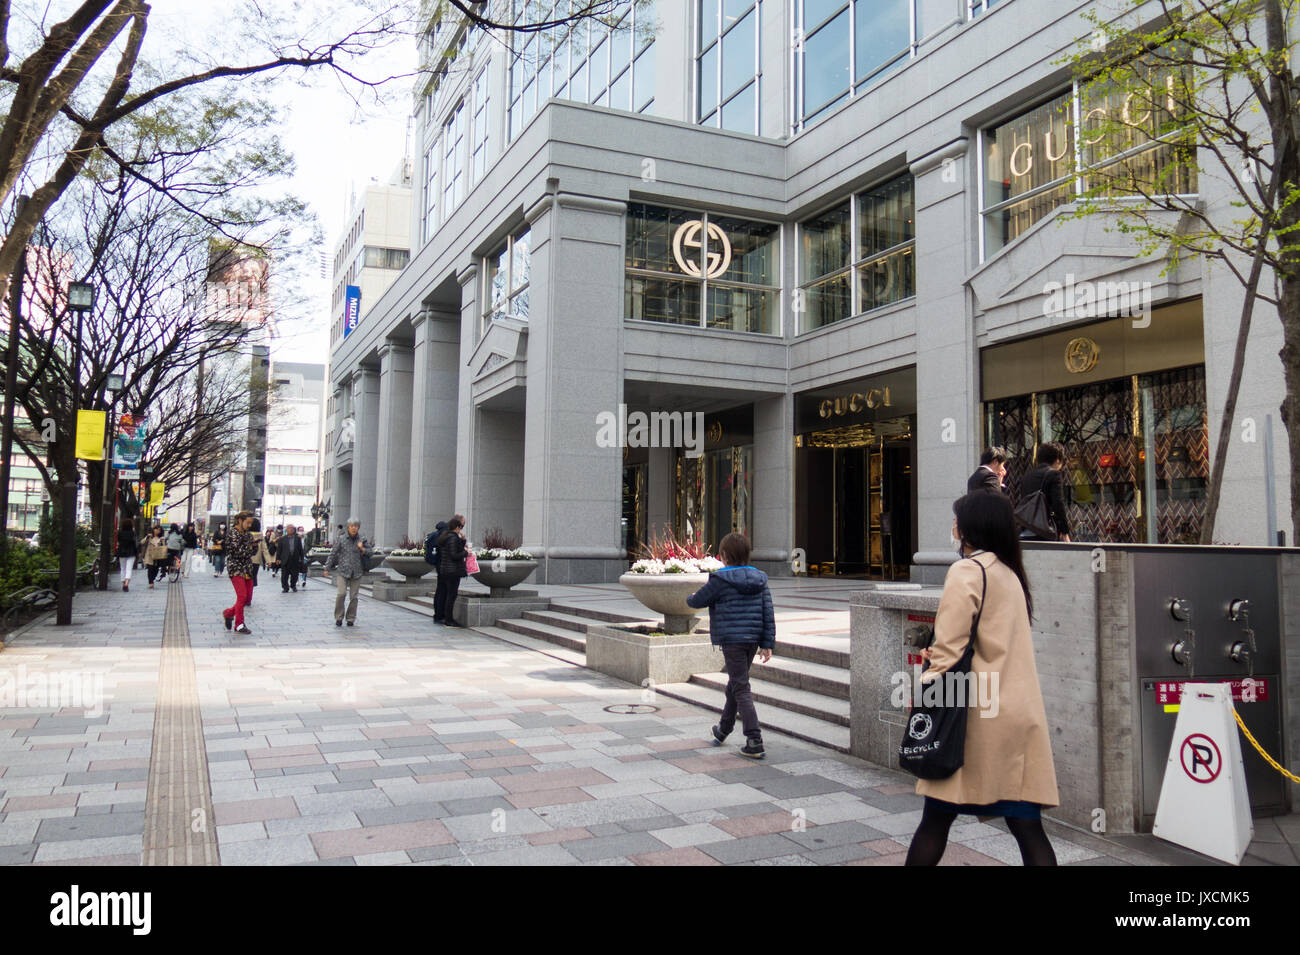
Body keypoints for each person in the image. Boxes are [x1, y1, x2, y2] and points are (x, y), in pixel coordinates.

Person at [905, 492, 1059, 866]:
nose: (953, 527)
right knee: (1026, 825)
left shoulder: (968, 571)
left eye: (957, 519)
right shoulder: (1010, 572)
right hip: (1020, 716)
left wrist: (926, 685)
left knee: (935, 820)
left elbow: (949, 647)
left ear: (970, 526)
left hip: (975, 718)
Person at [685, 532, 776, 760]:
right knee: (736, 683)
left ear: (724, 555)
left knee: (741, 686)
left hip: (732, 640)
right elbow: (768, 611)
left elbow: (697, 601)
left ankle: (754, 739)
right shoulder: (760, 578)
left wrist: (689, 596)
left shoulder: (720, 579)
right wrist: (767, 643)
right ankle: (723, 729)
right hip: (753, 639)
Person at [1017, 441, 1072, 542]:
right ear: (1057, 460)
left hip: (1027, 530)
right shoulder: (1054, 475)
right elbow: (1058, 504)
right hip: (1046, 531)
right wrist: (1064, 531)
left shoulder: (1026, 477)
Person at [324, 518, 370, 627]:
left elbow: (371, 552)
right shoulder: (341, 539)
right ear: (348, 527)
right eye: (351, 526)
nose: (354, 528)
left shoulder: (362, 539)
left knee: (354, 597)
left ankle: (350, 618)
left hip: (357, 572)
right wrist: (327, 568)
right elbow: (333, 554)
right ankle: (339, 617)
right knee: (341, 594)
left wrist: (362, 548)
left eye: (356, 526)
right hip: (342, 571)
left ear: (358, 527)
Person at [221, 511, 256, 635]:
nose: (249, 525)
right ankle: (239, 624)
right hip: (235, 568)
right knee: (242, 596)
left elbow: (253, 551)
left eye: (251, 523)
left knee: (247, 598)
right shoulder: (232, 533)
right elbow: (237, 551)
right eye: (248, 522)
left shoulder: (248, 534)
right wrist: (249, 548)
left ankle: (229, 613)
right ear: (240, 521)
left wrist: (252, 547)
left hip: (247, 568)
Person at [432, 515, 468, 627]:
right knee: (451, 596)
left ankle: (445, 617)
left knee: (448, 594)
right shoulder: (452, 537)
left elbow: (454, 549)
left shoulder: (446, 536)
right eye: (461, 527)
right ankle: (449, 619)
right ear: (456, 527)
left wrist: (463, 540)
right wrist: (466, 553)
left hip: (446, 569)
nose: (461, 529)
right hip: (452, 570)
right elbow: (454, 554)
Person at [247, 518, 272, 604]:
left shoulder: (245, 534)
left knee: (244, 579)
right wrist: (268, 561)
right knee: (252, 579)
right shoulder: (260, 536)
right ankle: (249, 598)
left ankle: (244, 596)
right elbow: (265, 550)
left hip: (245, 560)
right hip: (256, 561)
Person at [277, 524, 306, 593]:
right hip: (285, 559)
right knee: (284, 575)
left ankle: (293, 586)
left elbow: (300, 549)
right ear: (286, 530)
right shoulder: (282, 539)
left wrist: (302, 558)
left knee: (294, 575)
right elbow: (279, 550)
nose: (290, 530)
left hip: (294, 559)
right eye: (288, 528)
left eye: (291, 529)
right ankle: (285, 587)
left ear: (294, 530)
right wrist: (277, 559)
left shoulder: (297, 539)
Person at [116, 518, 138, 592]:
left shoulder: (120, 533)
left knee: (123, 569)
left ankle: (123, 584)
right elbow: (135, 543)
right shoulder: (133, 533)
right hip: (131, 552)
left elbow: (118, 542)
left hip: (122, 552)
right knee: (129, 569)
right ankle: (126, 584)